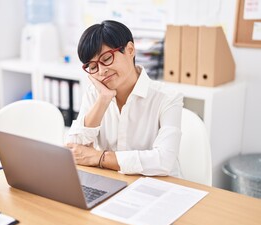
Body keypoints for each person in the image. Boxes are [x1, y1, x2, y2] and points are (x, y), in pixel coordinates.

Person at [65, 20, 183, 177]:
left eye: (106, 58)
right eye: (92, 67)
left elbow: (163, 161)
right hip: (114, 184)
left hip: (160, 186)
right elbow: (74, 149)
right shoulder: (95, 94)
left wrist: (100, 158)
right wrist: (103, 100)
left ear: (130, 50)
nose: (101, 71)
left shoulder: (167, 97)